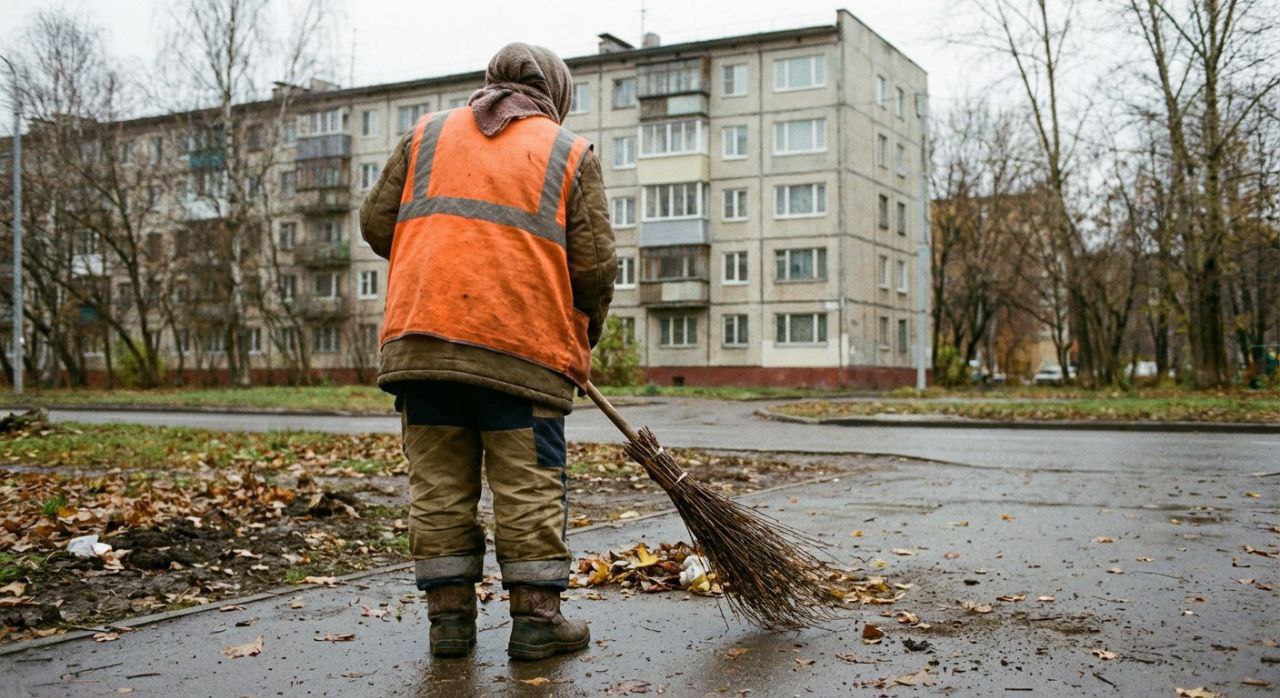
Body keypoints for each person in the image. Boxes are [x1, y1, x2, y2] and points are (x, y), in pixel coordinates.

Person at [359, 42, 616, 660]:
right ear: (554, 93)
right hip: (522, 352)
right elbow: (596, 266)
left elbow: (375, 224)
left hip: (422, 345)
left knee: (439, 486)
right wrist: (585, 333)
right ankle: (536, 621)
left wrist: (442, 252)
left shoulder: (425, 135)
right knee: (527, 485)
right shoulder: (566, 150)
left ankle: (448, 624)